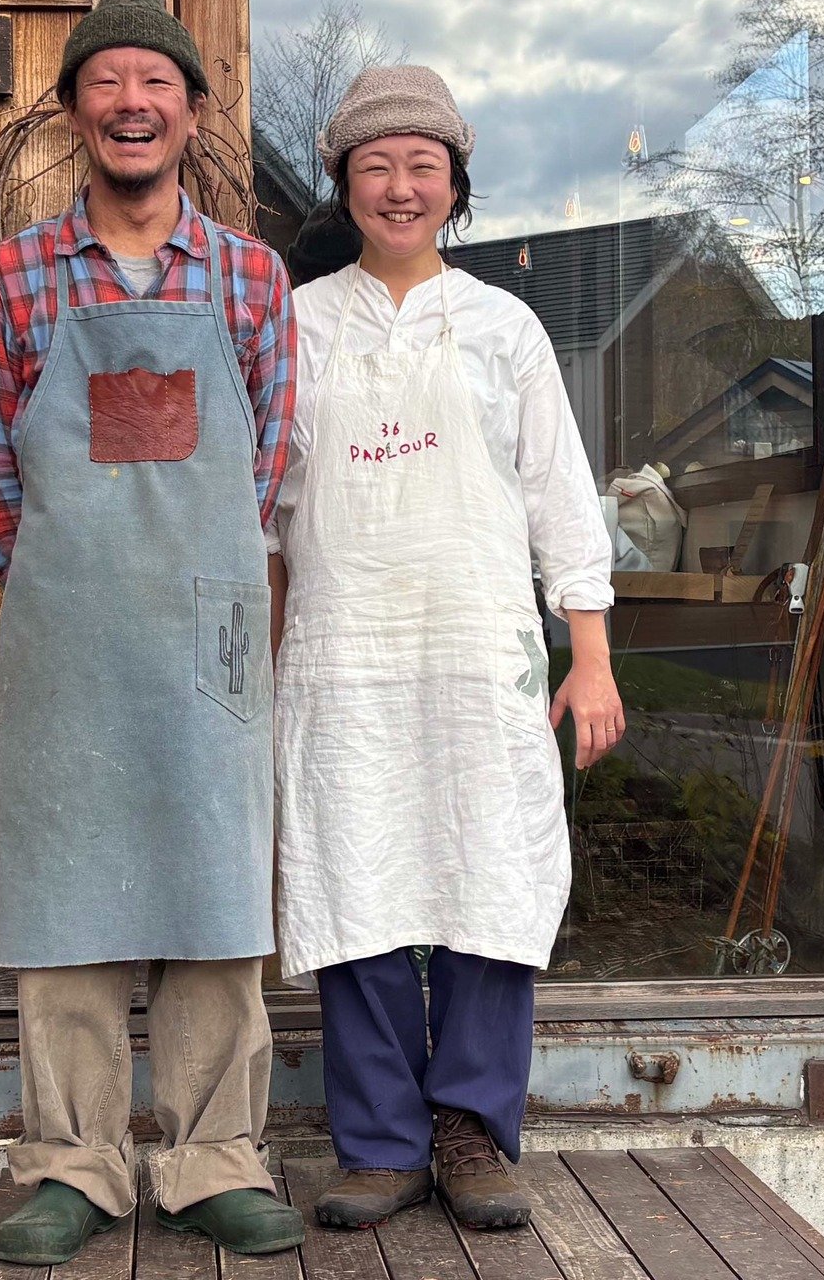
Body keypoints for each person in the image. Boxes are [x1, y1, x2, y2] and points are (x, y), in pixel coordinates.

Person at [0, 0, 304, 1265]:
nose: (131, 104)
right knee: (65, 897)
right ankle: (74, 1165)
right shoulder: (17, 274)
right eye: (105, 82)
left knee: (218, 890)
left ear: (195, 113)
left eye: (155, 83)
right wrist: (65, 591)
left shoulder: (252, 278)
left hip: (208, 628)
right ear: (72, 114)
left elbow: (262, 464)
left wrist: (203, 581)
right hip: (66, 628)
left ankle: (215, 1158)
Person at [269, 66, 623, 1231]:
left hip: (479, 648)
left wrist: (591, 649)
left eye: (424, 166)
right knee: (353, 869)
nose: (401, 186)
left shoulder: (503, 325)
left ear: (457, 189)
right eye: (378, 166)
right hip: (343, 646)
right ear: (346, 186)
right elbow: (264, 497)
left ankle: (473, 1130)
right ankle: (376, 1141)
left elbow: (559, 492)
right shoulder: (301, 322)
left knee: (489, 870)